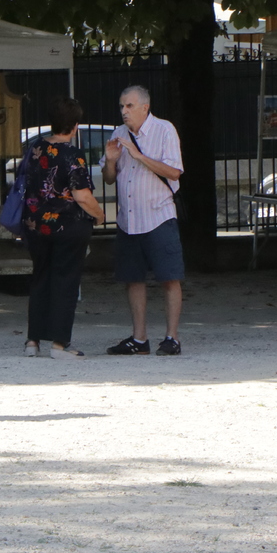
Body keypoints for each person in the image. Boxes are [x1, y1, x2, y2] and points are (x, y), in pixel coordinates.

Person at [101, 85, 184, 356]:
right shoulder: (118, 133)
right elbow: (109, 178)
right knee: (133, 279)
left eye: (129, 106)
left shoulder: (164, 130)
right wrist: (110, 162)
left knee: (169, 277)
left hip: (158, 215)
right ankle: (139, 339)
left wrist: (139, 156)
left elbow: (174, 172)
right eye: (121, 106)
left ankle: (172, 338)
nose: (124, 111)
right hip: (129, 219)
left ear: (145, 107)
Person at [22, 98, 105, 358]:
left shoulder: (35, 148)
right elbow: (82, 196)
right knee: (65, 282)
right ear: (75, 125)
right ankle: (59, 344)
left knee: (40, 279)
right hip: (67, 227)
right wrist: (99, 215)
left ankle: (32, 342)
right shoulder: (73, 155)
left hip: (36, 225)